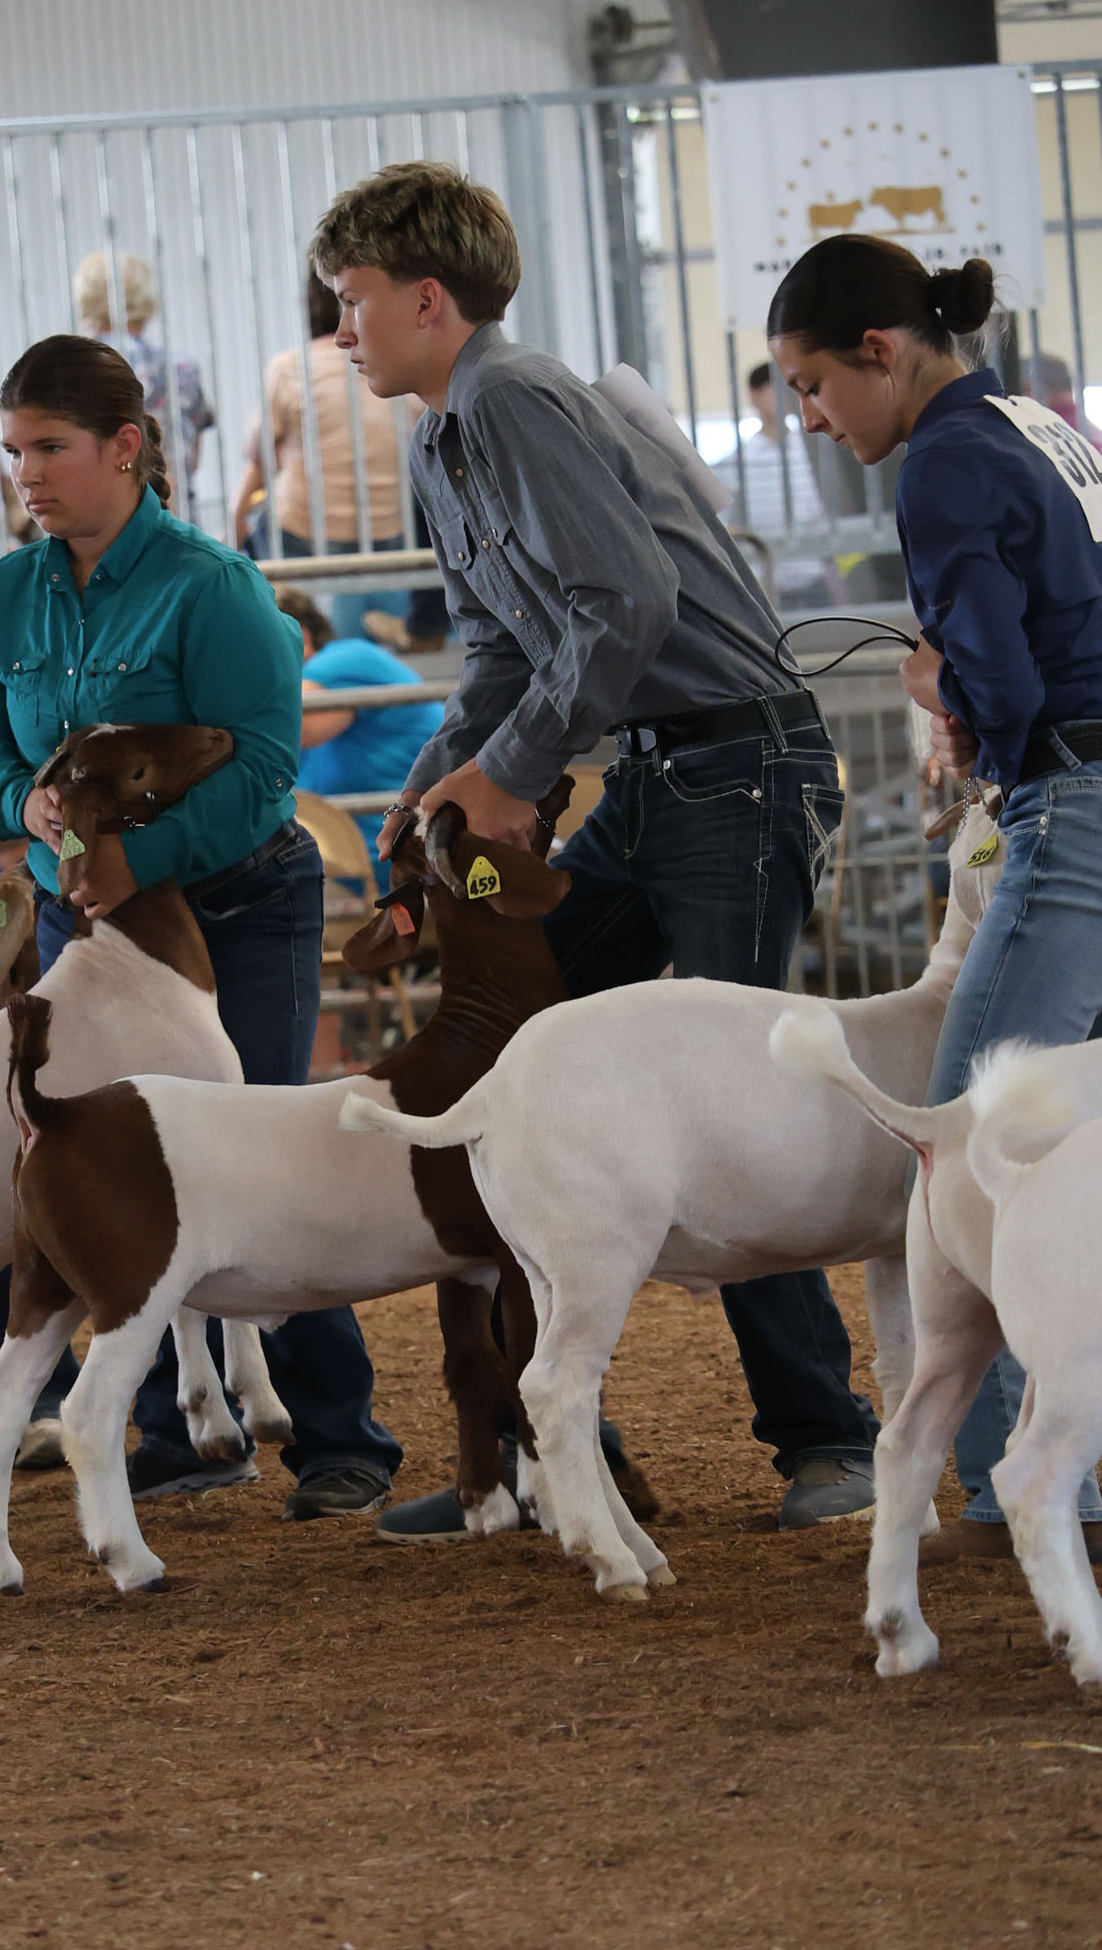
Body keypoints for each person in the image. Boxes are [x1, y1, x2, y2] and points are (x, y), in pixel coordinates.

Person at [310, 160, 878, 1544]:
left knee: (732, 1089)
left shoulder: (509, 401)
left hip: (736, 763)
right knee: (523, 1058)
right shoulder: (446, 435)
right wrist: (440, 775)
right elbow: (506, 646)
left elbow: (625, 600)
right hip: (669, 767)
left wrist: (508, 771)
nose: (339, 329)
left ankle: (828, 1439)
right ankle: (543, 1451)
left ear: (427, 300)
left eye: (352, 298)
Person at [0, 333, 401, 1517]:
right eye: (13, 451)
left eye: (49, 447)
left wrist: (135, 856)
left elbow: (264, 767)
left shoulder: (214, 585)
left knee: (261, 1147)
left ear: (125, 447)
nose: (25, 474)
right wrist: (22, 803)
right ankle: (180, 1424)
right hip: (87, 918)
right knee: (105, 1155)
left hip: (231, 901)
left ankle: (336, 1428)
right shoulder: (4, 593)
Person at [769, 233, 1102, 1564]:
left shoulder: (946, 458)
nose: (810, 416)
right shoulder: (1037, 422)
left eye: (812, 384)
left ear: (881, 350)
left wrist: (951, 700)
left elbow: (999, 672)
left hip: (1074, 806)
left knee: (974, 1140)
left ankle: (1021, 1483)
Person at [232, 271, 420, 642]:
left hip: (306, 538)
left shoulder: (290, 369)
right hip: (390, 534)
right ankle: (419, 629)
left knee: (255, 531)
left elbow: (259, 457)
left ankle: (277, 632)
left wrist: (235, 522)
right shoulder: (402, 366)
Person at [275, 586, 444, 875]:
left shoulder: (347, 657)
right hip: (363, 870)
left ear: (298, 637)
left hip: (410, 866)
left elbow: (287, 728)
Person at [72, 250, 215, 518]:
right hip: (174, 516)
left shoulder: (73, 372)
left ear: (85, 302)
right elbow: (193, 458)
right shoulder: (184, 369)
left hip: (101, 522)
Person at [716, 361, 842, 612]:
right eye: (774, 389)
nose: (783, 398)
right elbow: (725, 526)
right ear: (753, 394)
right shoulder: (737, 463)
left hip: (815, 580)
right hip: (765, 586)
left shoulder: (813, 455)